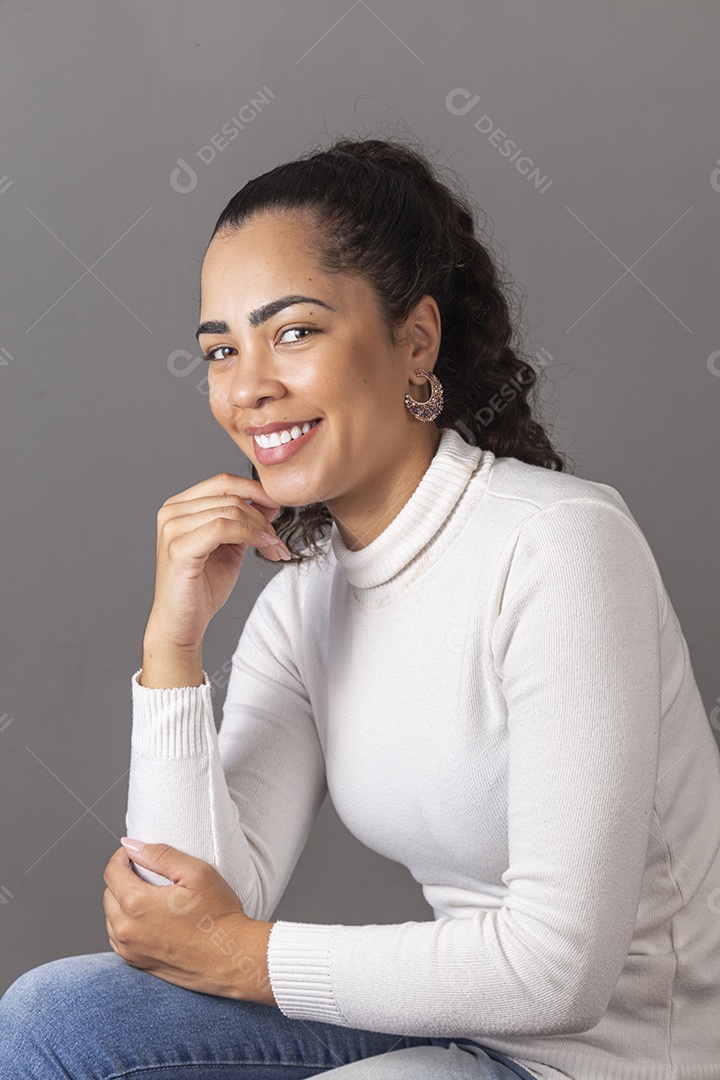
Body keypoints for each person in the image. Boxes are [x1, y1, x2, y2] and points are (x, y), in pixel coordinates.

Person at [1, 136, 719, 1080]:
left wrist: (246, 956)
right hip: (463, 1023)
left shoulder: (560, 546)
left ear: (413, 341)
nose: (249, 387)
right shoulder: (306, 602)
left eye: (292, 332)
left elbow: (558, 974)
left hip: (621, 1057)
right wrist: (172, 645)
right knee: (52, 1018)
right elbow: (189, 913)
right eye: (222, 349)